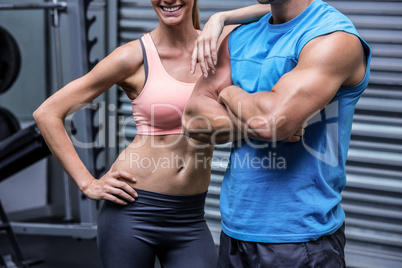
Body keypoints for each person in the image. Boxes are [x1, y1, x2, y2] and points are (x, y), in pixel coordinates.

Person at [32, 1, 281, 267]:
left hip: (190, 216)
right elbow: (47, 113)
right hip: (133, 209)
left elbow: (278, 7)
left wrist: (220, 17)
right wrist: (87, 183)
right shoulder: (133, 56)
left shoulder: (220, 43)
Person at [183, 0, 371, 267]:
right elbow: (193, 120)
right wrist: (261, 126)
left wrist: (228, 93)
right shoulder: (240, 36)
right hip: (235, 231)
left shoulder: (332, 37)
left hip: (301, 238)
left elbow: (272, 121)